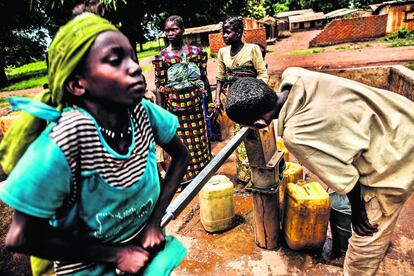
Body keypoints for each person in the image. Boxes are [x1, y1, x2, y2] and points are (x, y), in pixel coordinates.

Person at [0, 12, 189, 275]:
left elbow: (181, 157)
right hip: (89, 266)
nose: (134, 67)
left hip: (145, 251)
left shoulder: (142, 111)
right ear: (78, 84)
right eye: (115, 61)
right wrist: (116, 255)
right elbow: (21, 237)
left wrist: (155, 221)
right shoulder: (65, 140)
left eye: (132, 57)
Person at [225, 68, 414, 276]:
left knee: (365, 242)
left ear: (259, 123)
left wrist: (358, 216)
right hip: (403, 118)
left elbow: (347, 179)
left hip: (398, 156)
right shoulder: (294, 75)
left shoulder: (296, 136)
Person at [153, 15, 212, 185]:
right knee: (181, 146)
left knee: (200, 142)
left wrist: (208, 104)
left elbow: (204, 79)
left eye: (174, 29)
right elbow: (160, 87)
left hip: (195, 108)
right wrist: (161, 113)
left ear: (183, 30)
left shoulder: (197, 53)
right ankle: (185, 179)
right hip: (175, 110)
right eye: (167, 30)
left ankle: (204, 175)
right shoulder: (162, 57)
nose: (169, 33)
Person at [213, 16, 268, 184]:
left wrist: (255, 95)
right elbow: (220, 78)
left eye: (228, 32)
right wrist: (216, 100)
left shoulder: (252, 49)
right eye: (223, 33)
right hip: (234, 102)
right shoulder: (222, 53)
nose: (225, 36)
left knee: (256, 135)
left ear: (239, 33)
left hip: (252, 100)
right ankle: (245, 176)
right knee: (240, 136)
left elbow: (262, 73)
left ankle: (260, 174)